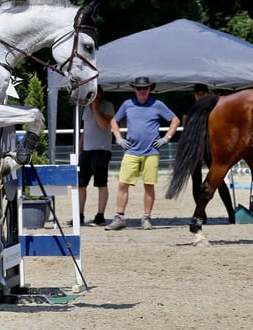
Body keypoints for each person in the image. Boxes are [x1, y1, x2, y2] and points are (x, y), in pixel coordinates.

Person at [106, 76, 180, 231]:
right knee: (122, 184)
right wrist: (118, 138)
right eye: (139, 88)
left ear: (150, 89)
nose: (142, 91)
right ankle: (119, 217)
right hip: (131, 151)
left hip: (151, 152)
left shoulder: (158, 104)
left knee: (149, 186)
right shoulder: (127, 104)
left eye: (145, 88)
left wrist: (167, 138)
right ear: (134, 89)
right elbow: (114, 121)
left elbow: (175, 120)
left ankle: (146, 218)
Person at [184, 83, 236, 224]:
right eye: (197, 93)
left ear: (207, 93)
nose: (200, 96)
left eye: (203, 93)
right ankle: (201, 214)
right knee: (196, 180)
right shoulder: (190, 108)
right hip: (195, 145)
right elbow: (186, 125)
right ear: (194, 95)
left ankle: (231, 212)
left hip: (210, 145)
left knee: (217, 179)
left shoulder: (215, 108)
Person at [76, 85, 115, 226]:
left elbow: (105, 125)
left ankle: (100, 215)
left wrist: (95, 109)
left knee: (101, 183)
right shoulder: (86, 107)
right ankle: (79, 215)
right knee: (80, 184)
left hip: (101, 149)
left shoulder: (107, 106)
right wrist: (80, 147)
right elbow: (85, 129)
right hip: (86, 150)